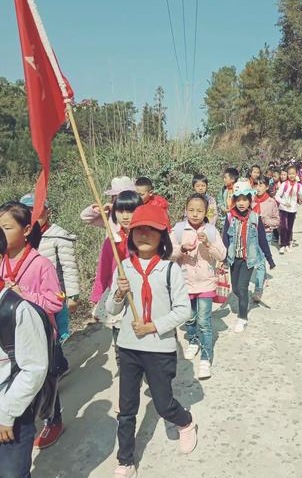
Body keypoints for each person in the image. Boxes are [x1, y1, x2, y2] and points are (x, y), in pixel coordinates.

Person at [106, 205, 197, 478]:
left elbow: (184, 311)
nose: (144, 235)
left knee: (162, 403)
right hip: (129, 347)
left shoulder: (169, 270)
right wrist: (120, 295)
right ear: (131, 233)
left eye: (151, 230)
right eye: (139, 229)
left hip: (159, 348)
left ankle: (186, 422)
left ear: (162, 237)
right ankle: (125, 460)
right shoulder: (123, 268)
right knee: (127, 407)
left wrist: (153, 326)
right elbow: (111, 310)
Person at [0, 203, 65, 450]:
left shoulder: (40, 263)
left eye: (6, 227)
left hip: (39, 335)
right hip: (5, 338)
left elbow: (55, 302)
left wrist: (24, 294)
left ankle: (53, 419)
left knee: (45, 381)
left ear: (25, 231)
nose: (0, 233)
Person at [0, 219, 48, 478]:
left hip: (8, 412)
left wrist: (6, 414)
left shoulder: (14, 310)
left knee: (14, 474)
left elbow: (34, 368)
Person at [171, 194, 226, 379]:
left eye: (199, 211)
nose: (195, 214)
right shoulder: (178, 230)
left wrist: (208, 243)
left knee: (204, 322)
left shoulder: (211, 231)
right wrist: (181, 250)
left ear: (205, 212)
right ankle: (193, 341)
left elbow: (222, 255)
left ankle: (205, 357)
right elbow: (167, 253)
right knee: (190, 317)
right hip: (185, 284)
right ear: (185, 210)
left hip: (206, 283)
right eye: (191, 210)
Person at [90, 190, 143, 369]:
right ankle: (124, 366)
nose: (126, 216)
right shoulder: (112, 241)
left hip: (143, 293)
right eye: (121, 211)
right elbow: (103, 271)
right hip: (118, 293)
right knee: (119, 331)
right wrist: (97, 298)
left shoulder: (148, 237)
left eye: (131, 211)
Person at [20, 193, 80, 344]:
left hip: (54, 293)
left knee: (58, 332)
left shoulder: (58, 235)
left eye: (39, 211)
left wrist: (72, 296)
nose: (34, 216)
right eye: (28, 212)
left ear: (48, 212)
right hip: (30, 292)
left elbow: (69, 266)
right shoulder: (20, 236)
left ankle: (58, 362)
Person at [223, 180, 276, 333]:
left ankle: (242, 317)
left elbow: (261, 240)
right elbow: (225, 239)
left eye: (245, 199)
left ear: (250, 200)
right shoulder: (229, 218)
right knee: (236, 289)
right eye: (238, 199)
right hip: (234, 259)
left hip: (248, 259)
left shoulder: (255, 218)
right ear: (234, 201)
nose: (241, 203)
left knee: (242, 287)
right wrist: (222, 258)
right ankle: (243, 299)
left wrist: (269, 259)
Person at [252, 177, 279, 302]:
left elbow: (277, 221)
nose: (258, 188)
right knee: (253, 260)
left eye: (261, 185)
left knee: (261, 261)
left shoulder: (271, 202)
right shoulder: (250, 200)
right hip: (251, 235)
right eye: (256, 185)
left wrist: (266, 221)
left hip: (266, 234)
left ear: (267, 187)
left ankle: (258, 290)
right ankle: (262, 278)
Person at [275, 165, 302, 254]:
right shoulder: (284, 184)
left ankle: (288, 244)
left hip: (293, 209)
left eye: (293, 174)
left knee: (290, 228)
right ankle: (282, 245)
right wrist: (284, 202)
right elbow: (277, 196)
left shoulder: (298, 185)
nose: (291, 175)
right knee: (284, 227)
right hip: (283, 209)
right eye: (289, 174)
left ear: (296, 174)